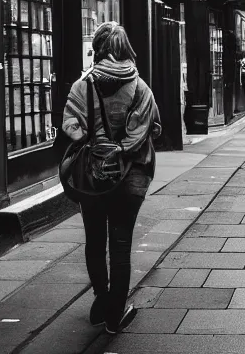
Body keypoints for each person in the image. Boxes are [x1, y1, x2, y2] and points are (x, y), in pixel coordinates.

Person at [62, 22, 161, 334]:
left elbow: (71, 125)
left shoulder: (83, 85)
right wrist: (123, 146)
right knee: (121, 244)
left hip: (92, 176)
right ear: (126, 49)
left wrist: (93, 140)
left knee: (94, 240)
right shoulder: (141, 88)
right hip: (131, 176)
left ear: (98, 49)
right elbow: (152, 129)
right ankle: (115, 312)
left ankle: (101, 299)